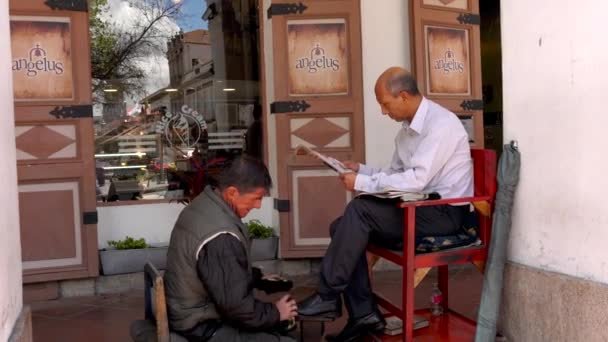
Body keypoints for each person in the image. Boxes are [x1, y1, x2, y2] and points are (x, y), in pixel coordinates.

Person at [297, 67, 474, 341]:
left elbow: (416, 180)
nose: (383, 111)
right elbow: (396, 175)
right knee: (342, 226)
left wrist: (360, 184)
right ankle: (363, 314)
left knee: (359, 210)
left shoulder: (442, 125)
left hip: (444, 213)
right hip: (417, 207)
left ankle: (328, 295)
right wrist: (363, 171)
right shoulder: (406, 132)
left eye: (385, 104)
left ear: (403, 96)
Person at [164, 155, 298, 342]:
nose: (258, 206)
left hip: (187, 309)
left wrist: (255, 277)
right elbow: (238, 310)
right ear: (232, 192)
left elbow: (217, 271)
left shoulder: (205, 202)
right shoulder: (221, 236)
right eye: (256, 198)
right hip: (199, 325)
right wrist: (276, 312)